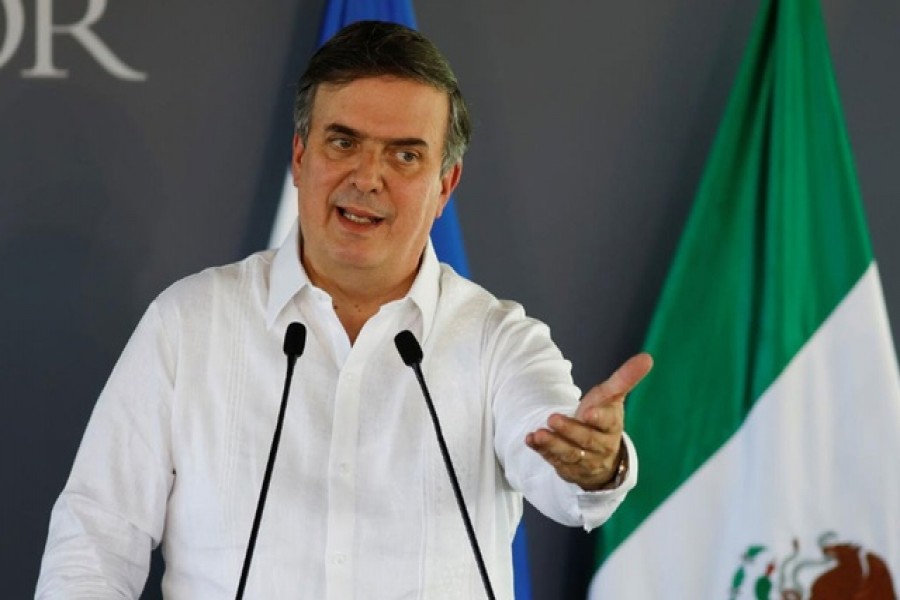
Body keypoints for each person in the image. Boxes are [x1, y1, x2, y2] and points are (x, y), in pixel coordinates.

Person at [36, 20, 652, 599]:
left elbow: (558, 465)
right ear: (300, 157)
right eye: (343, 142)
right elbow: (95, 536)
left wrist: (594, 463)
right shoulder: (189, 323)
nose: (367, 177)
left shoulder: (499, 341)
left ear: (445, 185)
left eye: (405, 155)